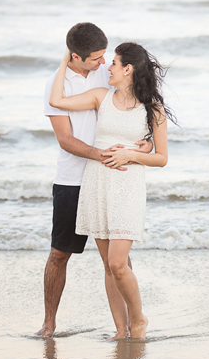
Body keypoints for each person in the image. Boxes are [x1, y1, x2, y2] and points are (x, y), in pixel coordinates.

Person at [49, 41, 174, 340]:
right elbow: (56, 101)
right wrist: (66, 58)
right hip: (97, 184)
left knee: (119, 262)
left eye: (115, 63)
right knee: (108, 265)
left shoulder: (152, 109)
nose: (109, 66)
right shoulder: (99, 97)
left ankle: (139, 320)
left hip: (128, 187)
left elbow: (161, 158)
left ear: (128, 69)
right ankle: (121, 329)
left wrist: (131, 155)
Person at [35, 23, 150, 339]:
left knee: (116, 261)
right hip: (73, 179)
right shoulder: (55, 84)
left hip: (110, 178)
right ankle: (49, 323)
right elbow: (65, 139)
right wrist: (102, 154)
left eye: (106, 57)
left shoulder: (108, 72)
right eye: (96, 58)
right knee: (60, 253)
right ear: (75, 56)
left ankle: (127, 328)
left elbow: (140, 114)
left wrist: (146, 145)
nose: (103, 63)